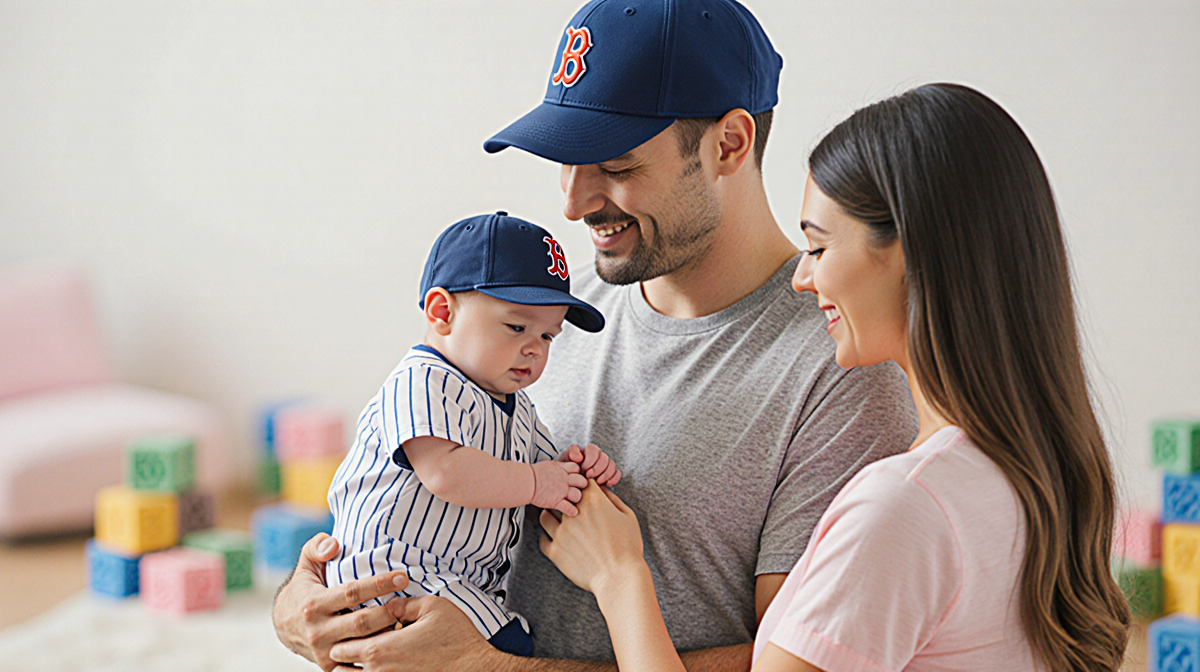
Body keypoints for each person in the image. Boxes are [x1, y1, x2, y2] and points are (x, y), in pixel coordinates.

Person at [272, 1, 917, 670]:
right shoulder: (550, 313)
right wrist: (299, 605)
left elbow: (792, 663)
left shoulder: (839, 370)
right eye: (564, 162)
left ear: (729, 143)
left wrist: (490, 669)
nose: (572, 204)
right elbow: (405, 503)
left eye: (614, 165)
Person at [538, 83, 1133, 672]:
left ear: (909, 256)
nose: (801, 277)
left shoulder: (903, 506)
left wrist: (619, 579)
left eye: (819, 248)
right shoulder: (1022, 475)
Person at [324, 212, 621, 658]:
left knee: (509, 645)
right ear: (442, 312)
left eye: (547, 336)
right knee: (508, 648)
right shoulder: (423, 380)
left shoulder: (517, 406)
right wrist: (539, 483)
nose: (534, 349)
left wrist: (580, 467)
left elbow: (551, 467)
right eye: (517, 327)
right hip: (388, 574)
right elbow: (445, 471)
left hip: (457, 580)